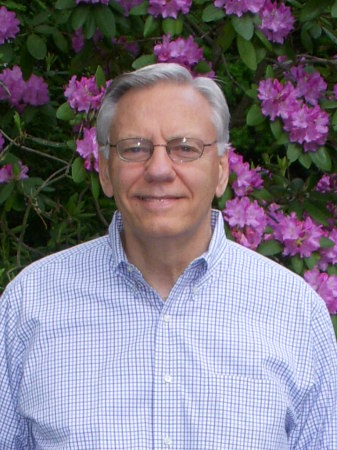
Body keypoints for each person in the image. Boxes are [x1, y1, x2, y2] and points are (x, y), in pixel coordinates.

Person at [0, 63, 336, 449]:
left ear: (222, 170)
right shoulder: (30, 304)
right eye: (134, 149)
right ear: (106, 172)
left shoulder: (295, 314)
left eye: (185, 149)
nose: (159, 169)